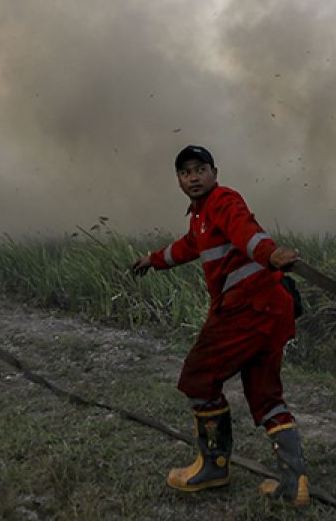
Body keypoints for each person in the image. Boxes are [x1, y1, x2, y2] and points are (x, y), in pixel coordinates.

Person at [131, 145, 309, 506]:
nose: (193, 177)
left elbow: (247, 232)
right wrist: (151, 260)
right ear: (179, 180)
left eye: (200, 169)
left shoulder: (223, 201)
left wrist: (271, 254)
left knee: (199, 379)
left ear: (215, 172)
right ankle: (294, 487)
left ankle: (213, 467)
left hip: (247, 310)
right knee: (265, 395)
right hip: (271, 311)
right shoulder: (199, 218)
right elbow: (186, 247)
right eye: (185, 172)